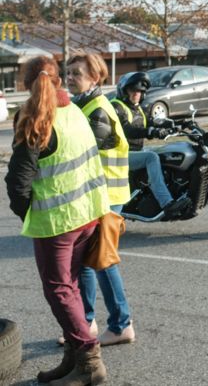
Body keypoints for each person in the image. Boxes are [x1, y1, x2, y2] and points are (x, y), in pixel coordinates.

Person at [6, 56, 110, 385]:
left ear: (25, 84)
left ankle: (89, 362)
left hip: (58, 222)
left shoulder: (36, 118)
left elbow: (18, 183)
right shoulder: (75, 111)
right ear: (59, 82)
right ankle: (74, 357)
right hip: (88, 214)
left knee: (59, 290)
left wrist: (29, 213)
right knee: (72, 286)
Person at [65, 50, 135, 348]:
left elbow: (79, 155)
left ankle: (121, 326)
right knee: (85, 262)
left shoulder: (98, 110)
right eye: (67, 72)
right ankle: (88, 320)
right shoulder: (81, 105)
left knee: (103, 262)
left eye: (76, 73)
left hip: (106, 198)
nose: (68, 78)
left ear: (95, 77)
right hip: (94, 197)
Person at [111, 72, 190, 215]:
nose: (137, 94)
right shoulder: (117, 107)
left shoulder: (137, 108)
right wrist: (151, 132)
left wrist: (181, 123)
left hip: (136, 151)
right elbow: (127, 129)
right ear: (124, 91)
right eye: (133, 90)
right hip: (118, 155)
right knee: (151, 157)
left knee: (163, 151)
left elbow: (154, 121)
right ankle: (166, 203)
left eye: (140, 91)